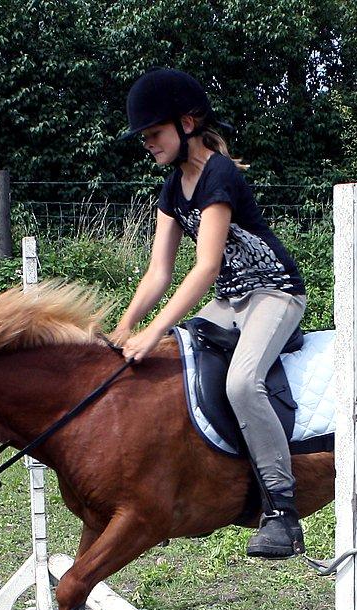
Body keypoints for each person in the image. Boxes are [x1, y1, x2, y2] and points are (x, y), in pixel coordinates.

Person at [112, 68, 307, 559]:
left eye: (153, 134)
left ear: (188, 122)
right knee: (171, 360)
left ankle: (282, 511)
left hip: (273, 294)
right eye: (144, 138)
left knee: (243, 383)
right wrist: (126, 325)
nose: (148, 144)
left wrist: (155, 327)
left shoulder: (219, 172)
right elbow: (158, 272)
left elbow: (205, 269)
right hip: (232, 302)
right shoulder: (172, 188)